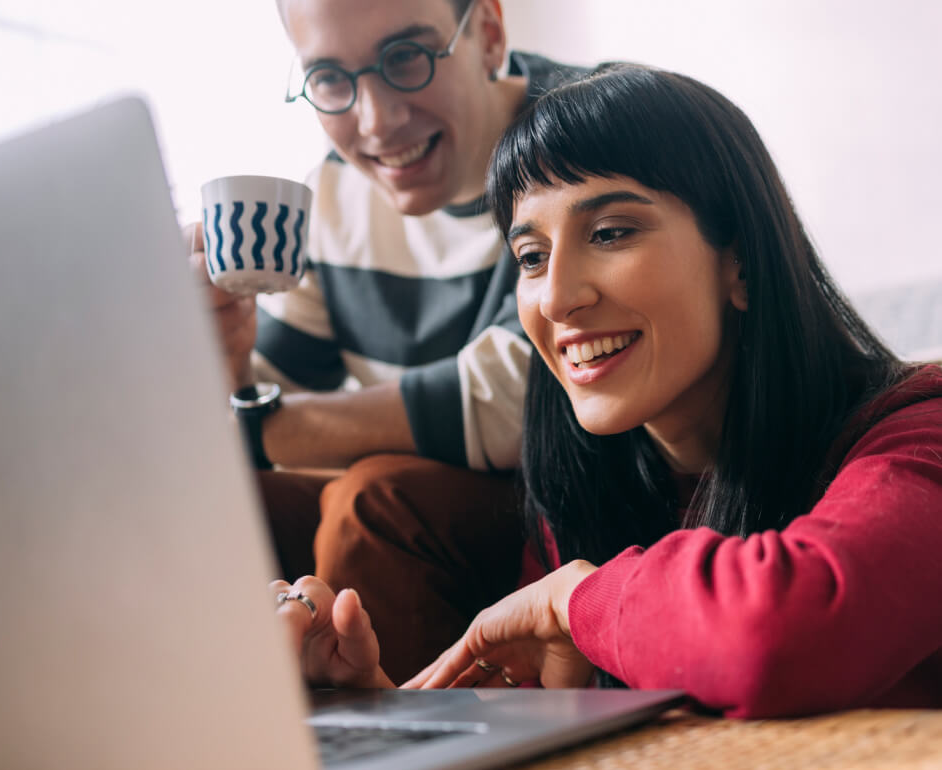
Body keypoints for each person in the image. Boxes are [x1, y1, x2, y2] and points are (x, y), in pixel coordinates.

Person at [274, 62, 942, 718]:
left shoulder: (919, 432)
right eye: (531, 257)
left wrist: (576, 599)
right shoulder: (588, 487)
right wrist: (370, 715)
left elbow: (777, 638)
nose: (558, 297)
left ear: (740, 260)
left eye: (610, 233)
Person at [187, 0, 588, 682]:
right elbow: (275, 404)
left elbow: (508, 404)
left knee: (373, 501)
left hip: (567, 500)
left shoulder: (581, 132)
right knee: (224, 498)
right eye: (330, 80)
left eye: (406, 57)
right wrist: (227, 366)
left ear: (488, 35)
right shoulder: (333, 195)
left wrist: (256, 426)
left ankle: (402, 754)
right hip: (437, 516)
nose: (374, 120)